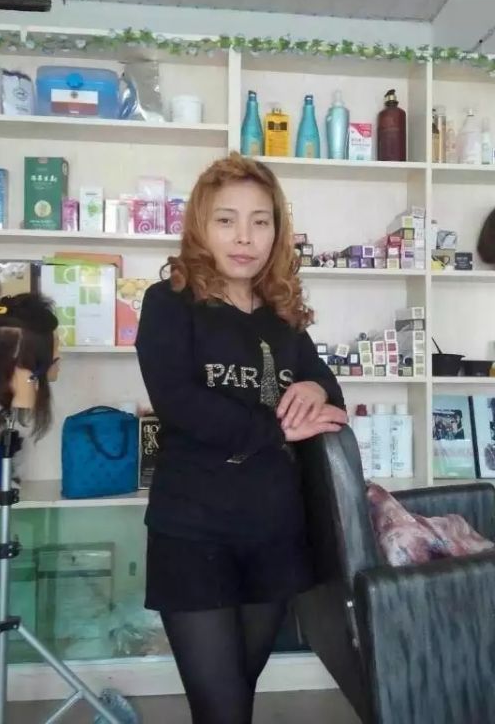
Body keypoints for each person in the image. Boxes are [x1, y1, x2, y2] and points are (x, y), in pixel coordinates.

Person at [135, 152, 347, 724]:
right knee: (221, 708)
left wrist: (315, 387)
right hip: (193, 531)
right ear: (200, 226)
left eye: (260, 221)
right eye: (226, 220)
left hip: (275, 532)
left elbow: (329, 392)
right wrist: (277, 427)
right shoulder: (169, 301)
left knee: (238, 695)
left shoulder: (281, 314)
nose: (245, 237)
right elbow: (178, 402)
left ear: (277, 230)